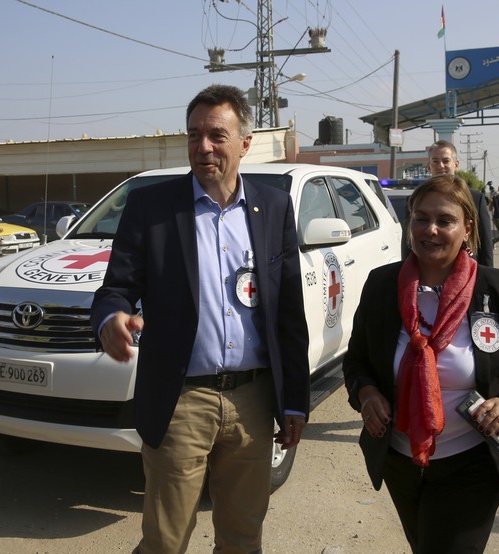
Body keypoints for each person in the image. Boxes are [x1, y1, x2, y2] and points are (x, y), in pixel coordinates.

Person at [91, 84, 310, 554]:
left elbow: (288, 312)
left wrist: (294, 400)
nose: (203, 147)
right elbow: (116, 287)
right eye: (194, 135)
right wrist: (112, 316)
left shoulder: (272, 208)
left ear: (245, 144)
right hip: (181, 400)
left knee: (242, 538)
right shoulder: (154, 207)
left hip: (253, 401)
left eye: (216, 135)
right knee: (166, 541)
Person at [342, 174, 499, 553]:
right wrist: (368, 394)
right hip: (401, 462)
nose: (431, 230)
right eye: (421, 219)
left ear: (468, 228)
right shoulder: (381, 286)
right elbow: (356, 362)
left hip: (473, 461)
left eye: (445, 220)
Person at [425, 140, 494, 267]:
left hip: (468, 271)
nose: (440, 166)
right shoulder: (417, 200)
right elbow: (409, 244)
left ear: (456, 165)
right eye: (435, 161)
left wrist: (487, 278)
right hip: (428, 273)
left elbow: (485, 243)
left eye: (446, 161)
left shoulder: (475, 199)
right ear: (429, 166)